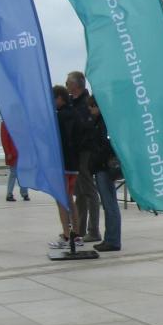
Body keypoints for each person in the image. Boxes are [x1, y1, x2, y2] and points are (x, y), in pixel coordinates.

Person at [66, 71, 102, 243]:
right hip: (76, 152)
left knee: (89, 190)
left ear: (76, 85)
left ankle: (93, 230)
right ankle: (79, 229)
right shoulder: (72, 103)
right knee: (79, 191)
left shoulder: (85, 103)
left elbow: (86, 128)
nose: (66, 86)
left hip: (86, 151)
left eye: (68, 83)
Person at [86, 96, 121, 252]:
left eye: (92, 107)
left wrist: (97, 160)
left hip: (104, 167)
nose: (90, 110)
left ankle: (112, 240)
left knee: (109, 204)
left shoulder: (104, 124)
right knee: (109, 204)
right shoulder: (101, 122)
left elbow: (105, 146)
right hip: (101, 166)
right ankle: (110, 238)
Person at [49, 85, 81, 248]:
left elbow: (55, 140)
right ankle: (76, 234)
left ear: (60, 98)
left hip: (62, 164)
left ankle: (67, 235)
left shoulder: (59, 117)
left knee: (61, 200)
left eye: (53, 99)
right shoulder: (75, 113)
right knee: (70, 199)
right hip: (74, 164)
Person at [0, 122, 29, 202]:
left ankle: (24, 193)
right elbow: (4, 140)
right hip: (13, 154)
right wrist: (8, 152)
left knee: (23, 173)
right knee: (13, 174)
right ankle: (9, 194)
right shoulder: (5, 123)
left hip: (22, 153)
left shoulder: (19, 122)